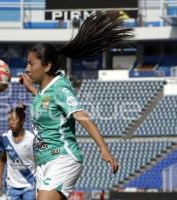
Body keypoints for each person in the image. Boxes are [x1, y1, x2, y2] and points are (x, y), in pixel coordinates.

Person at [19, 10, 133, 200]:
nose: (27, 68)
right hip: (44, 162)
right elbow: (48, 102)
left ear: (46, 66)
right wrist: (31, 89)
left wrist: (104, 149)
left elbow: (83, 118)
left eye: (31, 64)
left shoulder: (60, 88)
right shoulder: (44, 92)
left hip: (62, 158)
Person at [0, 104, 36, 200]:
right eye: (9, 120)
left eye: (14, 120)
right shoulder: (4, 138)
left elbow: (39, 162)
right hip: (12, 187)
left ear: (21, 121)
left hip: (30, 185)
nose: (10, 123)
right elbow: (1, 160)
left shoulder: (32, 139)